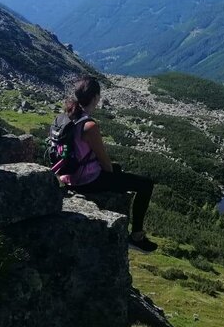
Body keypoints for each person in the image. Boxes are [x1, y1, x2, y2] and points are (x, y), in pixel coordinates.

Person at [55, 76, 157, 253]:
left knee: (119, 171)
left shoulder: (63, 118)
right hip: (87, 181)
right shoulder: (89, 125)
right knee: (145, 184)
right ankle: (137, 236)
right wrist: (113, 174)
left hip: (67, 176)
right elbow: (104, 162)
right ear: (95, 97)